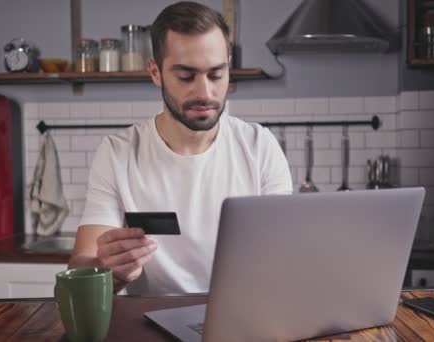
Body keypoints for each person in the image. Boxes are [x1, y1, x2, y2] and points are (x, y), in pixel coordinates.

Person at [68, 1, 293, 296]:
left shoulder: (260, 147)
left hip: (241, 316)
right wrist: (112, 272)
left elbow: (284, 259)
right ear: (155, 72)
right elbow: (80, 270)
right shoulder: (117, 153)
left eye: (216, 74)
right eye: (186, 76)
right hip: (149, 323)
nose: (204, 92)